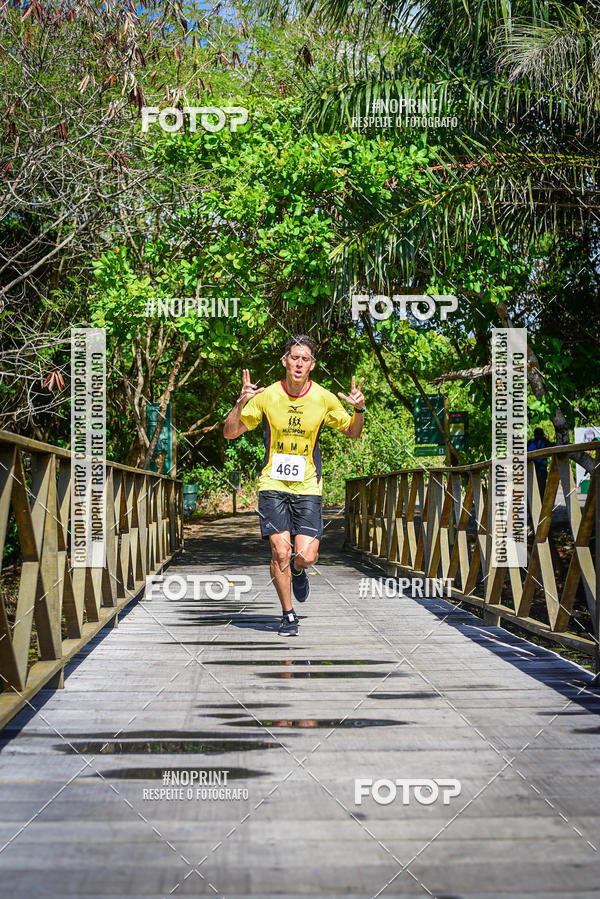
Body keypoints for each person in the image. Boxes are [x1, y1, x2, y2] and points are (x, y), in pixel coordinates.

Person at [223, 335, 365, 636]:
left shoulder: (324, 398)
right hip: (272, 484)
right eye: (294, 357)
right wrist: (240, 403)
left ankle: (299, 572)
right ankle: (288, 615)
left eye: (305, 359)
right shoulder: (268, 395)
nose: (299, 363)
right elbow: (230, 433)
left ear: (312, 365)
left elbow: (353, 433)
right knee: (280, 552)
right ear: (285, 361)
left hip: (307, 487)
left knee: (306, 555)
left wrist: (359, 410)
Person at [527, 427, 551, 498]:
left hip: (533, 468)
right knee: (541, 488)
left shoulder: (530, 442)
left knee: (533, 487)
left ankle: (533, 503)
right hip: (541, 468)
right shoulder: (545, 442)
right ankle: (540, 503)